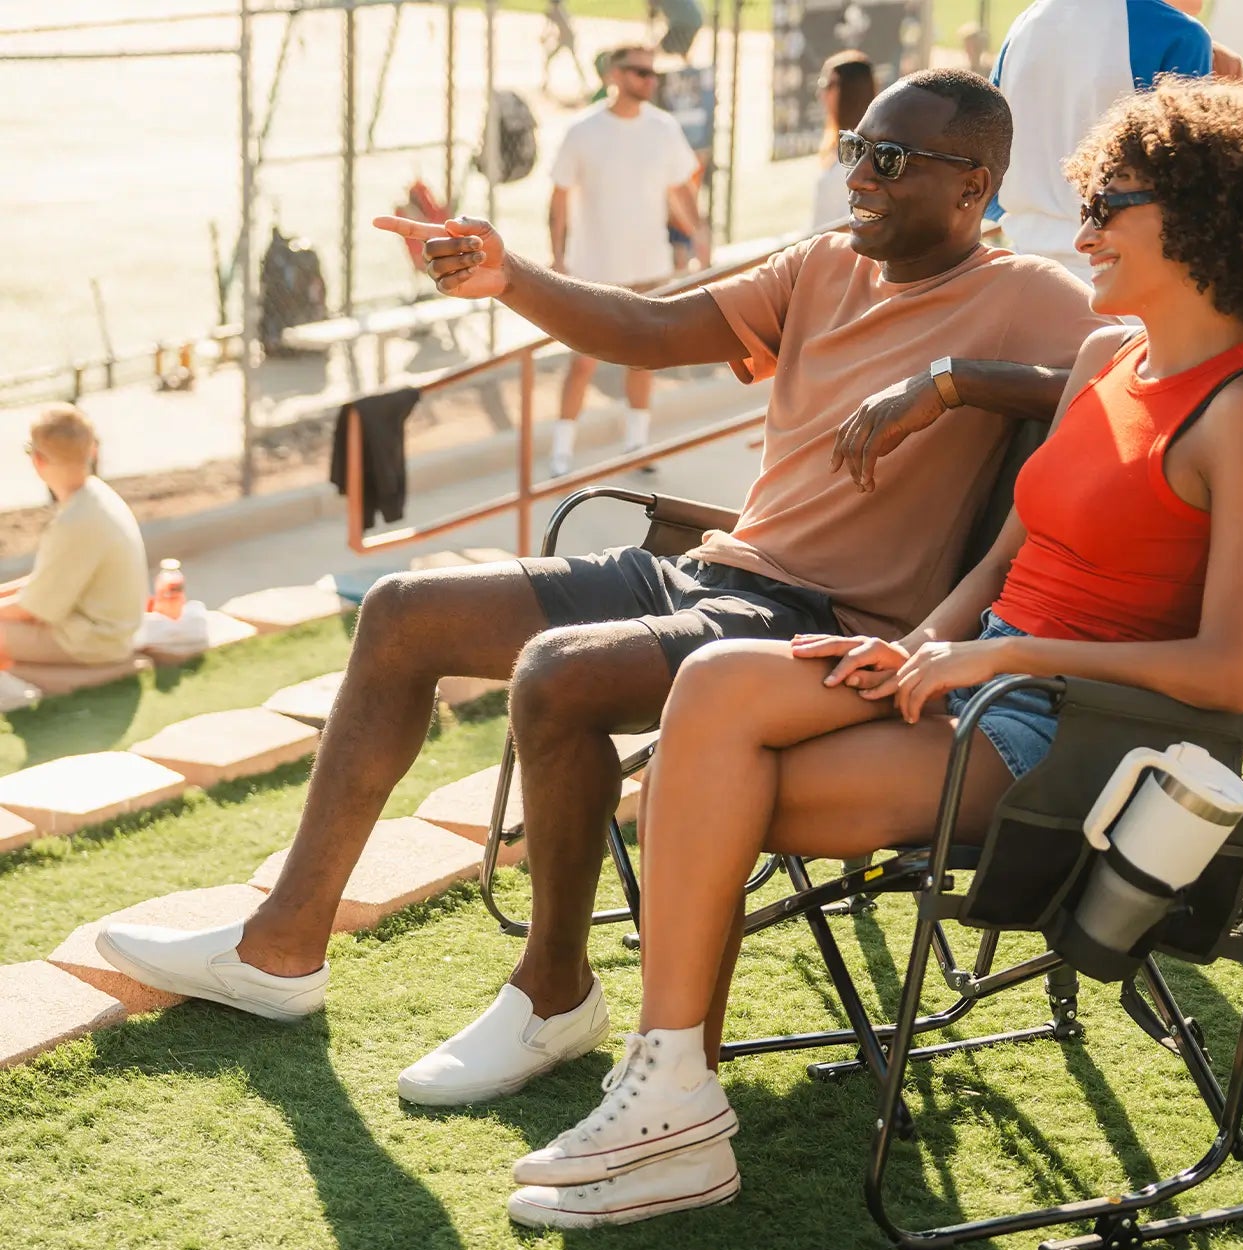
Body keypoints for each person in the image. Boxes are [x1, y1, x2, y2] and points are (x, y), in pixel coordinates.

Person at [99, 71, 1108, 1108]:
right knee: (403, 612)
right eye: (856, 145)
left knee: (559, 676)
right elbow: (652, 330)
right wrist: (508, 276)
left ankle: (554, 994)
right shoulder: (821, 265)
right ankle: (279, 950)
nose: (858, 173)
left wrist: (958, 379)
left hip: (822, 623)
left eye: (888, 160)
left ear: (973, 184)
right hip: (715, 570)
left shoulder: (1029, 295)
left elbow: (1139, 385)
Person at [502, 77, 1243, 1231]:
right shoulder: (1111, 352)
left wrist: (987, 666)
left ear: (1204, 215)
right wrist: (920, 646)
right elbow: (1012, 552)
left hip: (1067, 737)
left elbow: (1225, 672)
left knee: (697, 787)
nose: (1088, 225)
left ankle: (674, 1111)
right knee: (711, 694)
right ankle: (676, 1096)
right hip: (978, 680)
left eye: (1113, 201)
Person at [985, 0, 1235, 280]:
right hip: (1122, 281)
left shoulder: (1023, 25)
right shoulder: (1180, 34)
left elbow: (992, 176)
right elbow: (1189, 191)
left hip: (1021, 267)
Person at [546, 42, 706, 478]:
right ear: (613, 75)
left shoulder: (664, 128)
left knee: (644, 356)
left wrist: (700, 238)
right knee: (582, 360)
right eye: (638, 72)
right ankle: (562, 450)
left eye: (653, 73)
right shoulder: (582, 130)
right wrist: (558, 258)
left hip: (649, 266)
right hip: (592, 269)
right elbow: (559, 196)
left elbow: (682, 190)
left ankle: (636, 445)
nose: (648, 80)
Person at [0, 406, 147, 690]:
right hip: (109, 631)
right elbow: (42, 586)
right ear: (91, 450)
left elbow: (34, 608)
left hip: (97, 641)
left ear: (38, 460)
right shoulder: (95, 498)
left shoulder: (75, 521)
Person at [810, 51, 876, 230]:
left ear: (848, 91)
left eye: (826, 84)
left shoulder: (860, 155)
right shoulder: (842, 144)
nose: (820, 94)